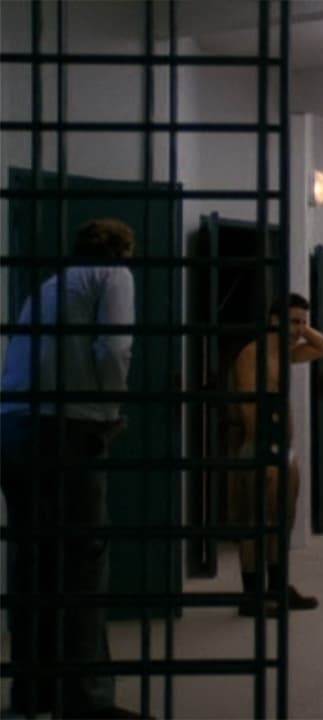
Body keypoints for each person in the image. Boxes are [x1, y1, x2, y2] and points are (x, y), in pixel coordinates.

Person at [0, 218, 144, 718]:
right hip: (69, 428)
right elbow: (115, 347)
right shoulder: (113, 276)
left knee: (34, 564)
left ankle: (33, 690)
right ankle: (86, 698)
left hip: (13, 427)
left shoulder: (48, 287)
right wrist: (109, 411)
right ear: (124, 251)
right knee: (82, 563)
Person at [227, 293, 323, 617]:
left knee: (282, 520)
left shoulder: (286, 353)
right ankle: (252, 594)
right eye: (293, 321)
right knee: (255, 521)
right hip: (259, 446)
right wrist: (265, 450)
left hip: (283, 447)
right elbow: (248, 405)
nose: (299, 329)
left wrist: (302, 327)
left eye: (302, 322)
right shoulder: (253, 354)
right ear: (274, 321)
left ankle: (277, 586)